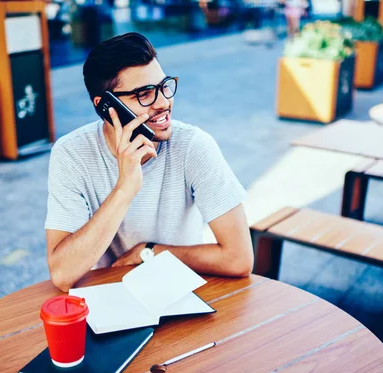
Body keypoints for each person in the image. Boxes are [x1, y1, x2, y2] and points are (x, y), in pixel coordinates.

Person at [45, 33, 254, 292]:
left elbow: (240, 258)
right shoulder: (72, 154)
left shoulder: (193, 146)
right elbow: (63, 274)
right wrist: (125, 188)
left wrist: (151, 253)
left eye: (164, 86)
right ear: (105, 106)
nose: (164, 102)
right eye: (144, 94)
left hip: (180, 294)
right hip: (108, 297)